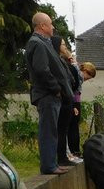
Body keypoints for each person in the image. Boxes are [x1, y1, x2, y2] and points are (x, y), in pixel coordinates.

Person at [24, 12, 72, 175]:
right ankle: (49, 165)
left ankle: (52, 163)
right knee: (48, 131)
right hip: (47, 95)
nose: (53, 27)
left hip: (51, 95)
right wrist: (56, 89)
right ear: (42, 26)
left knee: (52, 130)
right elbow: (41, 69)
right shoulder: (37, 43)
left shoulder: (45, 43)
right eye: (50, 24)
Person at [52, 36, 79, 167]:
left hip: (68, 99)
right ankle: (61, 157)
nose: (65, 47)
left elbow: (74, 80)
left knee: (64, 130)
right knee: (61, 130)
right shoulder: (57, 61)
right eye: (63, 45)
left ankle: (64, 156)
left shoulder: (63, 61)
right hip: (63, 99)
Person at [67, 61, 96, 159]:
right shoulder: (78, 75)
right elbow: (75, 68)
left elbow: (75, 66)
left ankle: (75, 150)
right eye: (89, 77)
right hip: (74, 102)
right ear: (85, 71)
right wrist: (73, 105)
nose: (87, 79)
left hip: (75, 101)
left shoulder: (78, 73)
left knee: (74, 127)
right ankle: (75, 151)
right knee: (73, 127)